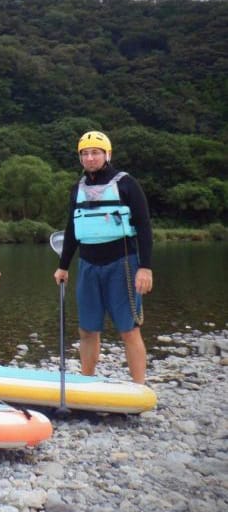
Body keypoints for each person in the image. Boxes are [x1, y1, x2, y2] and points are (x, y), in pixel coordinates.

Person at [53, 130, 152, 384]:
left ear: (107, 154)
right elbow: (72, 229)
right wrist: (63, 266)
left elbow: (144, 227)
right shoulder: (78, 188)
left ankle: (139, 387)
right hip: (88, 265)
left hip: (123, 264)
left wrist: (145, 267)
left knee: (129, 330)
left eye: (95, 152)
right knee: (87, 329)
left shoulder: (127, 183)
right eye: (84, 153)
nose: (90, 158)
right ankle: (87, 382)